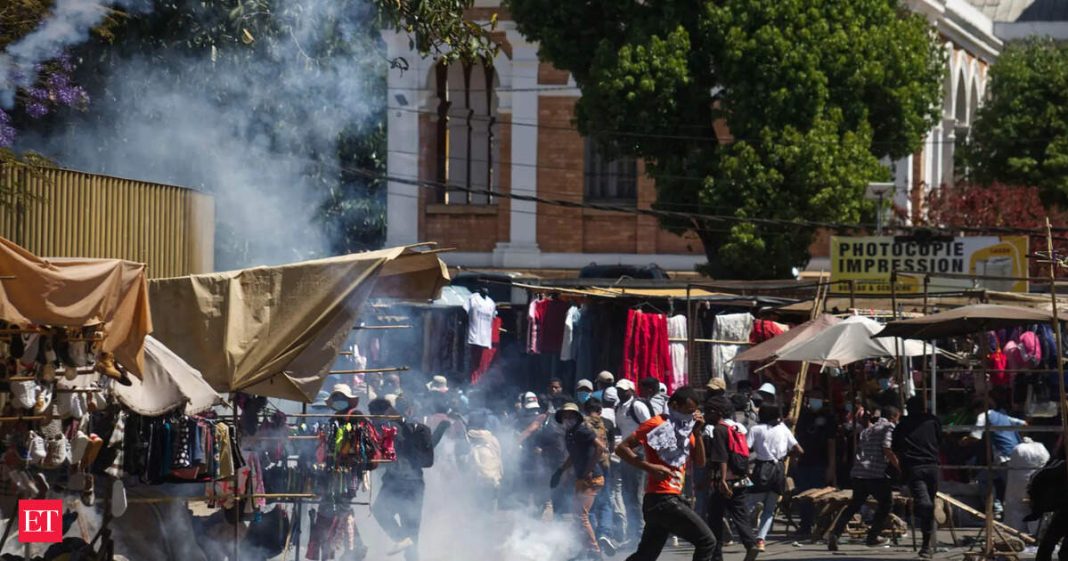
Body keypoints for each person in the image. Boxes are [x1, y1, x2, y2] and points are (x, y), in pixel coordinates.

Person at [616, 386, 713, 561]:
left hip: (665, 500)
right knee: (707, 541)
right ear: (674, 405)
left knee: (645, 556)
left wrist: (697, 434)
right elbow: (622, 449)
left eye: (694, 412)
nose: (691, 415)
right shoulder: (656, 423)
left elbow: (700, 462)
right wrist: (649, 467)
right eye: (688, 410)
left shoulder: (687, 431)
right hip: (663, 499)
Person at [372, 396, 450, 560]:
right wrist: (442, 428)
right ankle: (404, 539)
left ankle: (401, 538)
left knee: (381, 511)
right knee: (412, 532)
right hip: (414, 484)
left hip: (396, 482)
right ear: (410, 410)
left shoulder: (390, 428)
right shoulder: (420, 429)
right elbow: (428, 454)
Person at [827, 406, 901, 551]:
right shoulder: (889, 427)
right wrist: (898, 466)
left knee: (854, 505)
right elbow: (887, 448)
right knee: (886, 503)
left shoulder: (868, 429)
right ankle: (872, 536)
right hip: (875, 473)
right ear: (894, 417)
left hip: (859, 472)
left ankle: (835, 533)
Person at [704, 395, 759, 561]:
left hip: (725, 481)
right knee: (740, 515)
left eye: (710, 411)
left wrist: (721, 480)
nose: (707, 415)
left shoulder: (719, 429)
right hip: (740, 478)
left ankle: (716, 555)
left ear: (718, 412)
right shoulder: (738, 427)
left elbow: (721, 457)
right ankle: (751, 544)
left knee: (714, 517)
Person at [553, 401, 607, 560]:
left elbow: (600, 447)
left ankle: (596, 553)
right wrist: (561, 470)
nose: (567, 419)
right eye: (565, 416)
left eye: (571, 416)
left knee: (581, 517)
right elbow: (574, 456)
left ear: (577, 417)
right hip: (581, 478)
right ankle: (583, 551)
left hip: (592, 478)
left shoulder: (582, 431)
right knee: (577, 516)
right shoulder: (569, 434)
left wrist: (588, 471)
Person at [746, 405, 802, 552]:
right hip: (779, 471)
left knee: (748, 503)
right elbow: (799, 450)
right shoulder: (783, 429)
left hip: (761, 469)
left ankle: (749, 526)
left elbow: (745, 449)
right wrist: (785, 455)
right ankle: (761, 540)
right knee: (769, 510)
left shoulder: (756, 429)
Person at [892, 395, 942, 558]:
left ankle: (927, 545)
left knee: (925, 504)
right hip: (931, 466)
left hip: (915, 468)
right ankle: (926, 545)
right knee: (928, 503)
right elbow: (940, 441)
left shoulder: (903, 424)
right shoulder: (933, 421)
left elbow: (895, 446)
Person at [968, 398, 1027, 509]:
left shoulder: (983, 415)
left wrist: (962, 441)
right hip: (1015, 454)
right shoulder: (1004, 417)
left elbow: (975, 437)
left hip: (1004, 457)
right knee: (983, 478)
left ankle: (1001, 509)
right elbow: (1025, 424)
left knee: (1010, 486)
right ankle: (997, 508)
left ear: (979, 408)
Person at [792, 391, 837, 539]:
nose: (814, 401)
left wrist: (831, 465)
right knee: (804, 495)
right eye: (812, 398)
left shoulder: (829, 417)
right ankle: (805, 525)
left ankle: (821, 526)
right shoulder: (803, 415)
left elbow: (831, 442)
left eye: (817, 398)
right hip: (804, 462)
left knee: (819, 496)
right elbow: (797, 437)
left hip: (821, 462)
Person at [615, 378, 653, 544]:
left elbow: (651, 427)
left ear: (631, 390)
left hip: (638, 451)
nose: (620, 393)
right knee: (627, 493)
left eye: (624, 390)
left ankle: (640, 533)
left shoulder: (637, 406)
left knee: (637, 494)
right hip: (625, 452)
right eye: (619, 390)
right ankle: (633, 533)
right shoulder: (619, 407)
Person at [584, 398, 619, 555]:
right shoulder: (608, 423)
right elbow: (611, 448)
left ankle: (591, 538)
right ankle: (604, 533)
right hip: (604, 467)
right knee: (605, 502)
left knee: (589, 505)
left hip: (587, 468)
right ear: (600, 410)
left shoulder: (581, 425)